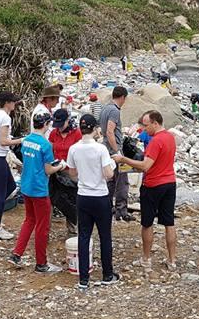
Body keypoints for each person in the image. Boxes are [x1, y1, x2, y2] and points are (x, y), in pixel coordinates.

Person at [115, 110, 177, 270]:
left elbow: (145, 166)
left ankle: (146, 258)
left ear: (155, 123)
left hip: (153, 184)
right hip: (169, 182)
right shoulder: (170, 137)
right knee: (169, 222)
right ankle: (172, 260)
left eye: (146, 125)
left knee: (147, 223)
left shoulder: (156, 141)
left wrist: (124, 159)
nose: (144, 128)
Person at [66, 114, 121, 290]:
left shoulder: (74, 149)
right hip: (100, 196)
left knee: (83, 236)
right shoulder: (100, 149)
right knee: (105, 236)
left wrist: (84, 174)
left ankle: (83, 279)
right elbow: (108, 174)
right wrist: (112, 165)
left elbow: (72, 173)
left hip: (83, 196)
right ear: (95, 129)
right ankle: (107, 274)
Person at [8, 113, 65, 273]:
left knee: (29, 220)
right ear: (46, 124)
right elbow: (48, 170)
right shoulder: (46, 145)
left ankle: (17, 253)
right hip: (39, 189)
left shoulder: (26, 140)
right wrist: (60, 166)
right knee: (42, 226)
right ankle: (41, 263)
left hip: (26, 186)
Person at [0, 92, 24, 240]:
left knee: (12, 186)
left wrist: (7, 138)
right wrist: (21, 140)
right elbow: (3, 141)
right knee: (2, 192)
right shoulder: (6, 118)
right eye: (13, 102)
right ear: (7, 102)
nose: (15, 104)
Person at [99, 86, 133, 221]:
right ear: (123, 97)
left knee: (111, 180)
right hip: (114, 150)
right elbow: (109, 131)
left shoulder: (104, 109)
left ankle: (107, 206)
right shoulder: (114, 111)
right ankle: (121, 210)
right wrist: (117, 150)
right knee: (122, 180)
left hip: (106, 149)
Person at [49, 108, 82, 235]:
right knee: (53, 197)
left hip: (71, 171)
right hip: (56, 170)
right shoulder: (54, 133)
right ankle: (47, 227)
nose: (60, 128)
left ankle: (72, 225)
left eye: (61, 125)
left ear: (68, 121)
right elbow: (50, 150)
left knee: (71, 199)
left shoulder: (76, 133)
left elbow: (80, 152)